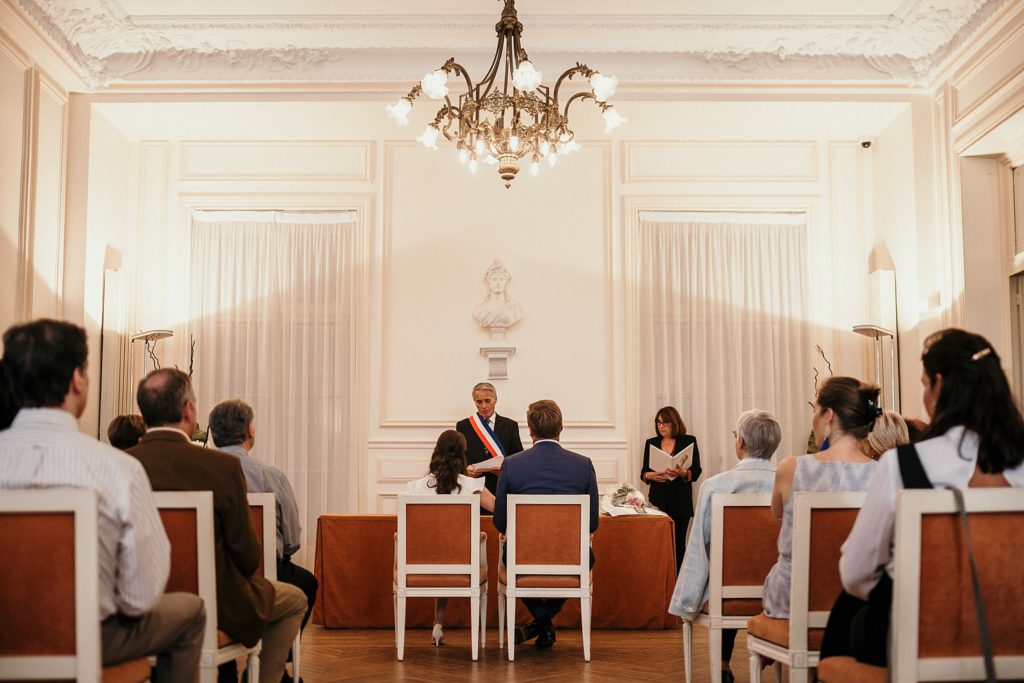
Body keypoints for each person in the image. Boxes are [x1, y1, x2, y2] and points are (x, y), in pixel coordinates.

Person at [0, 319, 206, 683]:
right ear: (77, 380)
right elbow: (139, 598)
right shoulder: (118, 470)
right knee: (192, 612)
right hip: (88, 638)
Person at [825, 329, 1024, 666]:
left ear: (940, 385)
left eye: (923, 384)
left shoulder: (904, 464)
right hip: (1015, 628)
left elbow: (856, 573)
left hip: (925, 635)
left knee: (847, 612)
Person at [128, 368, 305, 683]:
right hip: (217, 606)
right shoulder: (222, 468)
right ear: (188, 410)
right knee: (295, 598)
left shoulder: (122, 465)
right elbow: (248, 556)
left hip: (142, 605)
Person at [668, 409, 781, 683]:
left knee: (722, 572)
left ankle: (721, 665)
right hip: (780, 592)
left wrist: (686, 600)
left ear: (740, 442)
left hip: (728, 592)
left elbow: (699, 546)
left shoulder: (716, 486)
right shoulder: (791, 483)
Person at [208, 399, 318, 669]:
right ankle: (274, 662)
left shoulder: (199, 472)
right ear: (250, 431)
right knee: (306, 583)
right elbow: (291, 540)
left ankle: (224, 670)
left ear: (212, 433)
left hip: (207, 576)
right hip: (263, 575)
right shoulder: (270, 475)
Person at [761, 377, 880, 618]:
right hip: (859, 602)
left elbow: (780, 520)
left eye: (815, 409)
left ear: (829, 415)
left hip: (791, 601)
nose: (813, 416)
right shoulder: (883, 473)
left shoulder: (791, 468)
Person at [493, 399, 600, 648]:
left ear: (530, 430)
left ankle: (540, 621)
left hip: (522, 556)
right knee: (588, 558)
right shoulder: (582, 465)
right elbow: (592, 523)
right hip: (571, 557)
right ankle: (544, 621)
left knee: (511, 561)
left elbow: (500, 521)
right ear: (561, 427)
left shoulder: (512, 464)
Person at [406, 429, 496, 647]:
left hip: (424, 562)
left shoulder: (415, 487)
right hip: (462, 564)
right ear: (463, 454)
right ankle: (473, 639)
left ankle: (438, 625)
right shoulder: (472, 486)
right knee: (451, 556)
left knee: (442, 556)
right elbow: (498, 509)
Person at [640, 406, 702, 570]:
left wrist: (683, 472)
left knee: (679, 545)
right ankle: (660, 580)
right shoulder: (651, 443)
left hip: (680, 501)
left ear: (674, 423)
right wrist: (649, 476)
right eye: (658, 423)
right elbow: (644, 472)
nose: (661, 426)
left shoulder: (689, 441)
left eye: (665, 423)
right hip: (657, 500)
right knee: (658, 544)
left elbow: (696, 471)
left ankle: (679, 584)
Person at [457, 381, 524, 499]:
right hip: (473, 488)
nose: (483, 406)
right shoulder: (463, 426)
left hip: (501, 485)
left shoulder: (510, 425)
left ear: (495, 400)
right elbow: (458, 457)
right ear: (475, 402)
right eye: (479, 402)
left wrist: (505, 471)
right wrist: (465, 470)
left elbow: (517, 458)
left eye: (487, 401)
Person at [473, 259, 524, 331]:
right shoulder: (480, 310)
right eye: (494, 279)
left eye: (501, 279)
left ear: (506, 282)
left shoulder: (513, 307)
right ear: (488, 283)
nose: (498, 283)